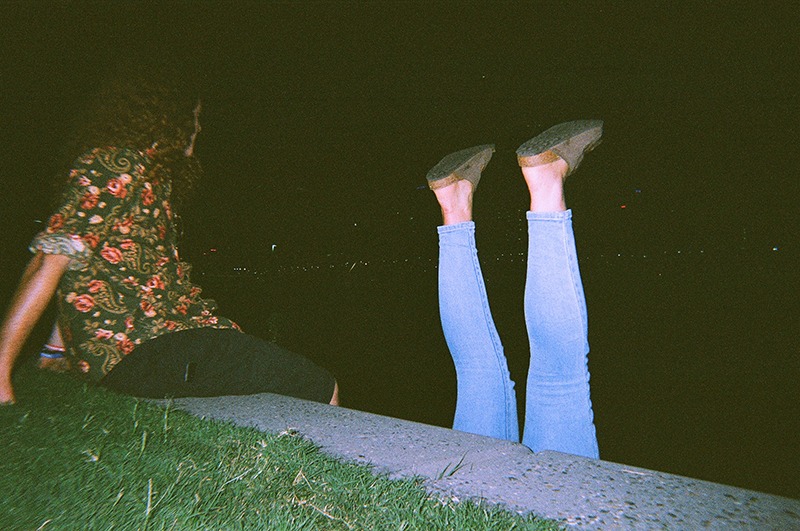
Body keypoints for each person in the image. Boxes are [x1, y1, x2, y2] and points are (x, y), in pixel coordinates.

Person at [0, 63, 338, 406]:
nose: (198, 127)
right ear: (168, 117)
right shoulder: (115, 166)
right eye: (194, 117)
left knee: (271, 368)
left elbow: (83, 267)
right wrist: (2, 373)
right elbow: (48, 260)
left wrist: (55, 352)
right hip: (142, 352)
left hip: (162, 340)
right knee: (320, 385)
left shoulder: (151, 180)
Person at [426, 120, 602, 458]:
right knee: (553, 383)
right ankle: (462, 202)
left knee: (479, 373)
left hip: (474, 480)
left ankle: (457, 202)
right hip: (532, 489)